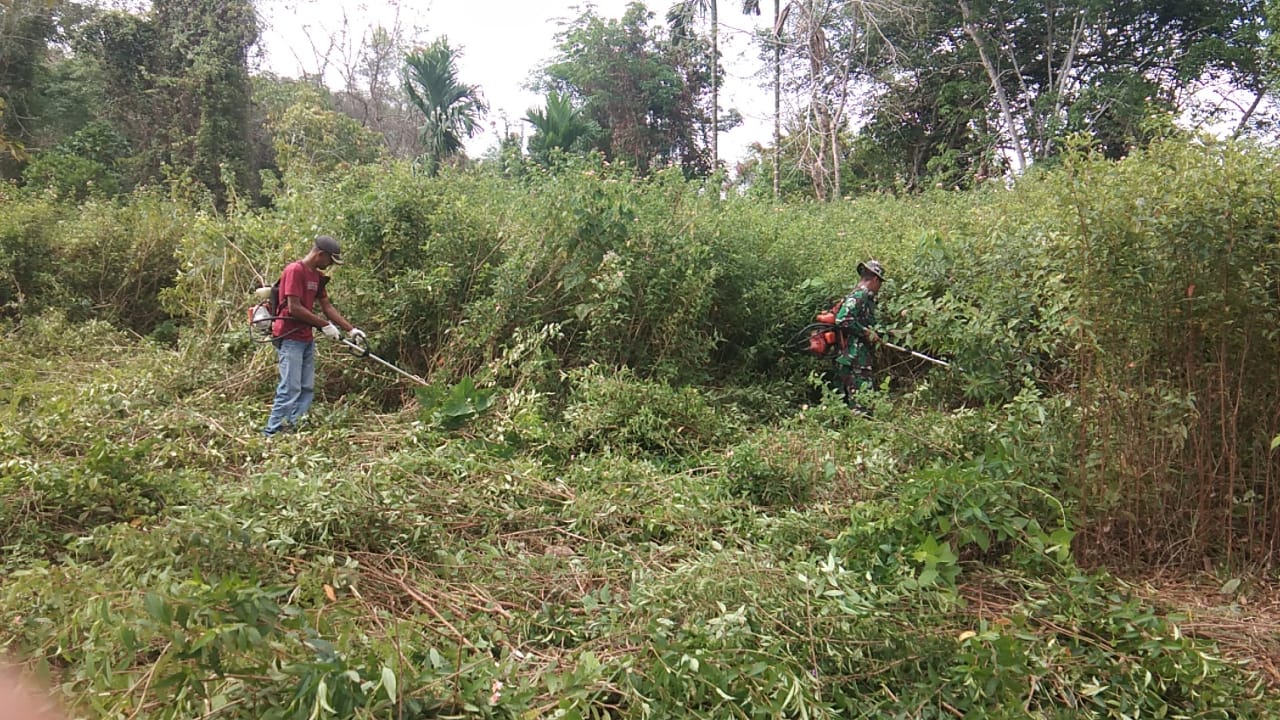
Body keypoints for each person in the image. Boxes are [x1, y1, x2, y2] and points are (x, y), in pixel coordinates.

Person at [262, 235, 364, 437]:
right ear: (320, 254)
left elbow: (327, 306)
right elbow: (294, 308)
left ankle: (294, 427)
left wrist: (350, 329)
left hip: (305, 337)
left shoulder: (316, 277)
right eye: (329, 260)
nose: (329, 265)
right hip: (289, 335)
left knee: (306, 387)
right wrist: (324, 325)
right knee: (290, 387)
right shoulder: (295, 270)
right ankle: (272, 432)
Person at [834, 259, 885, 408]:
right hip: (855, 358)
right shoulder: (860, 295)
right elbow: (842, 319)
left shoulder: (861, 296)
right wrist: (866, 333)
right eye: (880, 283)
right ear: (875, 279)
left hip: (851, 357)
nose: (879, 287)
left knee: (848, 402)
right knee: (863, 402)